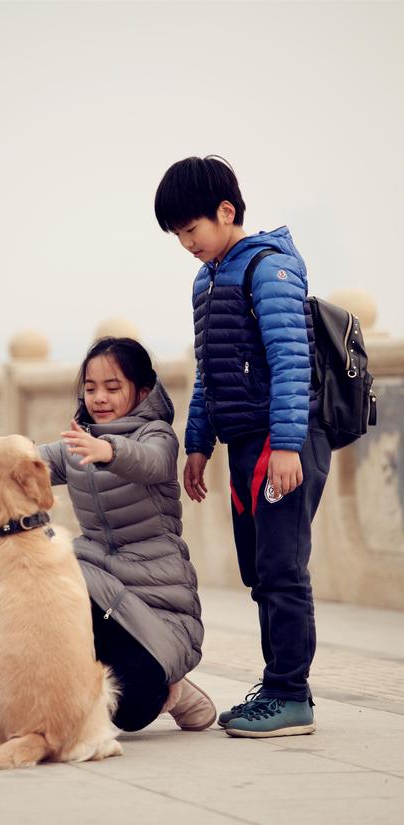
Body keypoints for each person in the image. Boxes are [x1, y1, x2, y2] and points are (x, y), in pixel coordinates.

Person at [0, 336, 216, 733]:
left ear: (142, 391)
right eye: (90, 388)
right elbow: (17, 467)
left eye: (112, 387)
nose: (99, 397)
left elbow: (152, 463)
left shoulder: (156, 435)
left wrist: (109, 451)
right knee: (44, 572)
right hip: (97, 584)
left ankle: (175, 686)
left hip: (155, 603)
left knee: (132, 712)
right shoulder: (76, 446)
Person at [154, 155, 331, 738]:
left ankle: (291, 696)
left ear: (226, 211)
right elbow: (209, 373)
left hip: (283, 440)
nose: (186, 244)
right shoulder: (208, 279)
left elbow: (291, 362)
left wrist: (287, 446)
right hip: (245, 442)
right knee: (260, 569)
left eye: (191, 229)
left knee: (282, 567)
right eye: (178, 235)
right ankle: (276, 687)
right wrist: (197, 443)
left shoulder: (269, 268)